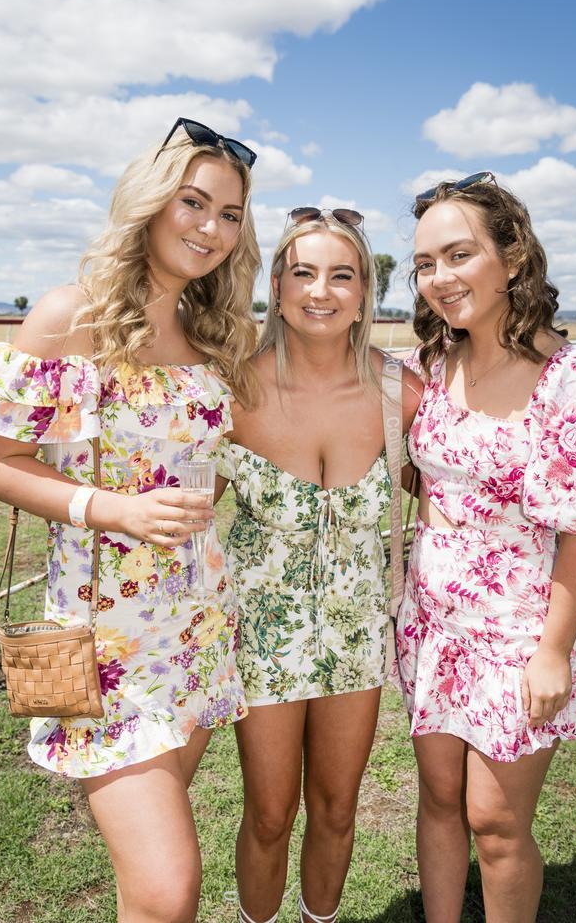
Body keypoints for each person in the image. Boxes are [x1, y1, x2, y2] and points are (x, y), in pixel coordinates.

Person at [0, 117, 261, 923]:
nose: (212, 228)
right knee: (168, 888)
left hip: (195, 631)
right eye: (195, 203)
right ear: (150, 204)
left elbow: (202, 475)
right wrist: (117, 508)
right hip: (93, 647)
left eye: (230, 214)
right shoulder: (68, 314)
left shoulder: (210, 332)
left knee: (143, 889)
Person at [395, 171, 576, 923]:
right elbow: (433, 482)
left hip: (521, 633)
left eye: (458, 255)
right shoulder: (430, 365)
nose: (439, 279)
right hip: (431, 624)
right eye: (424, 264)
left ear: (513, 257)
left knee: (497, 821)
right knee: (439, 800)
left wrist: (554, 650)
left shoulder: (572, 379)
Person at [216, 207, 422, 923]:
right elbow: (176, 517)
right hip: (262, 638)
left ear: (366, 291)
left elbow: (467, 493)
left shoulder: (402, 394)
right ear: (276, 283)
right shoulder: (234, 391)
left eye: (342, 275)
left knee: (336, 810)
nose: (321, 291)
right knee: (269, 814)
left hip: (358, 636)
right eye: (302, 272)